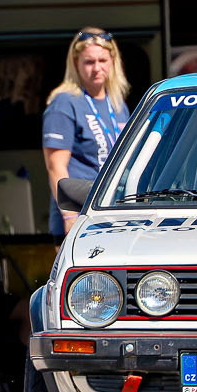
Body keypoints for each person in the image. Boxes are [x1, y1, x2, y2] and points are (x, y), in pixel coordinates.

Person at [41, 28, 130, 236]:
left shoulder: (117, 104)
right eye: (89, 62)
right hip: (78, 214)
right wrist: (69, 216)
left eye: (102, 60)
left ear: (113, 61)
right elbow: (55, 166)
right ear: (76, 63)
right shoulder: (64, 102)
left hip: (110, 212)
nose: (97, 68)